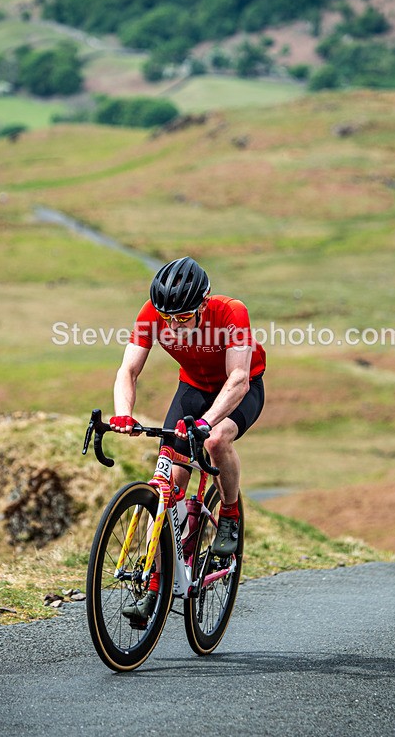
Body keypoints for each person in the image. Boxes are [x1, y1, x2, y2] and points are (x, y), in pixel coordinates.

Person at [110, 256, 266, 621]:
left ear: (203, 302)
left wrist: (208, 423)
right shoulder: (153, 314)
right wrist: (123, 413)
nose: (174, 325)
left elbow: (239, 379)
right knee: (166, 483)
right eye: (168, 319)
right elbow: (128, 369)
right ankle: (154, 583)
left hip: (239, 390)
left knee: (215, 442)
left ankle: (228, 514)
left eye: (183, 317)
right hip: (193, 389)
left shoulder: (231, 313)